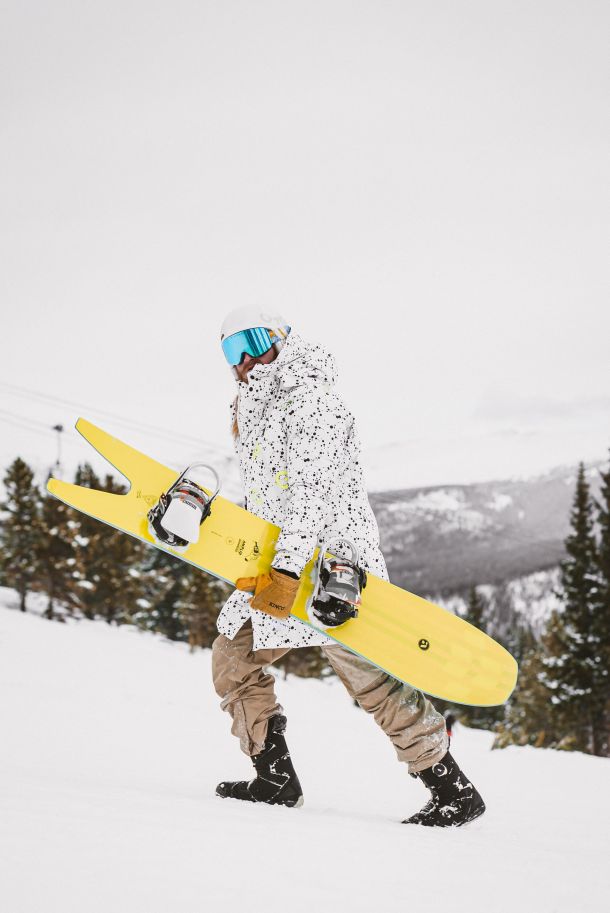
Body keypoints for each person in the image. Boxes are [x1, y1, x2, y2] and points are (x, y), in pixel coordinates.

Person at [212, 306, 485, 827]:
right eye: (231, 351)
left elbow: (309, 495)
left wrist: (288, 571)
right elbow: (270, 498)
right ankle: (273, 778)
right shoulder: (255, 409)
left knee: (371, 680)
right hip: (279, 566)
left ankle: (453, 791)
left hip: (330, 571)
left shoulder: (309, 399)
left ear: (281, 339)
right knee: (233, 656)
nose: (244, 361)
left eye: (251, 342)